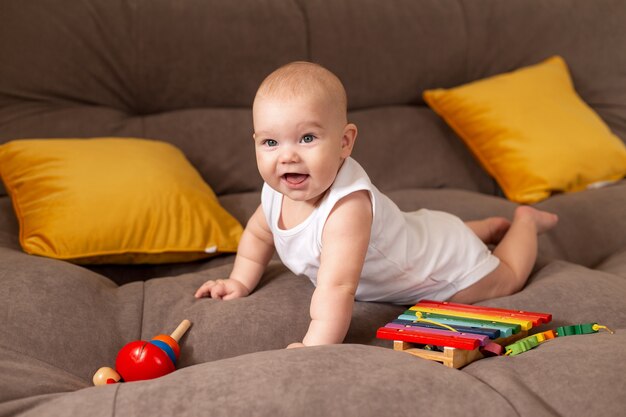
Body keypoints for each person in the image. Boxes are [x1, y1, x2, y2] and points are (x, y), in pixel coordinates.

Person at [194, 61, 558, 348]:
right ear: (255, 142)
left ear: (344, 142)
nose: (287, 156)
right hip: (421, 230)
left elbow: (336, 289)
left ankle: (524, 222)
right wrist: (239, 281)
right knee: (427, 231)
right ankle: (486, 228)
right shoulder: (277, 190)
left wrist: (314, 345)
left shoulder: (347, 208)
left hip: (436, 266)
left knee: (507, 276)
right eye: (270, 143)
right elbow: (259, 235)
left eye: (307, 138)